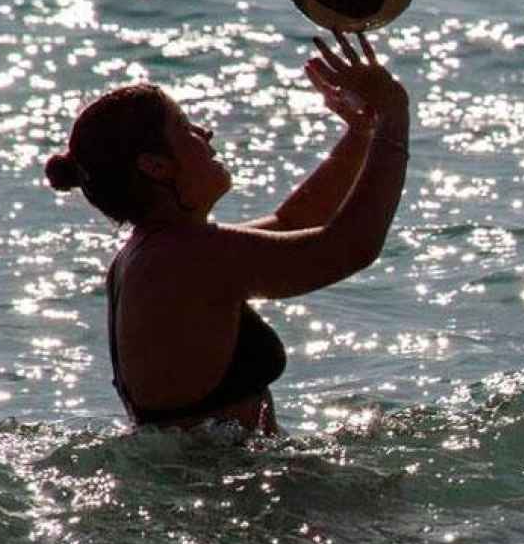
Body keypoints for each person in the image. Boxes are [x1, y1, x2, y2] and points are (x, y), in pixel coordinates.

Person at [44, 32, 409, 434]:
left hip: (205, 483)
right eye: (185, 127)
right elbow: (349, 247)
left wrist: (361, 135)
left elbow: (291, 223)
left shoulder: (155, 252)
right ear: (156, 166)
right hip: (233, 489)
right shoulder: (186, 256)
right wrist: (395, 114)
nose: (206, 133)